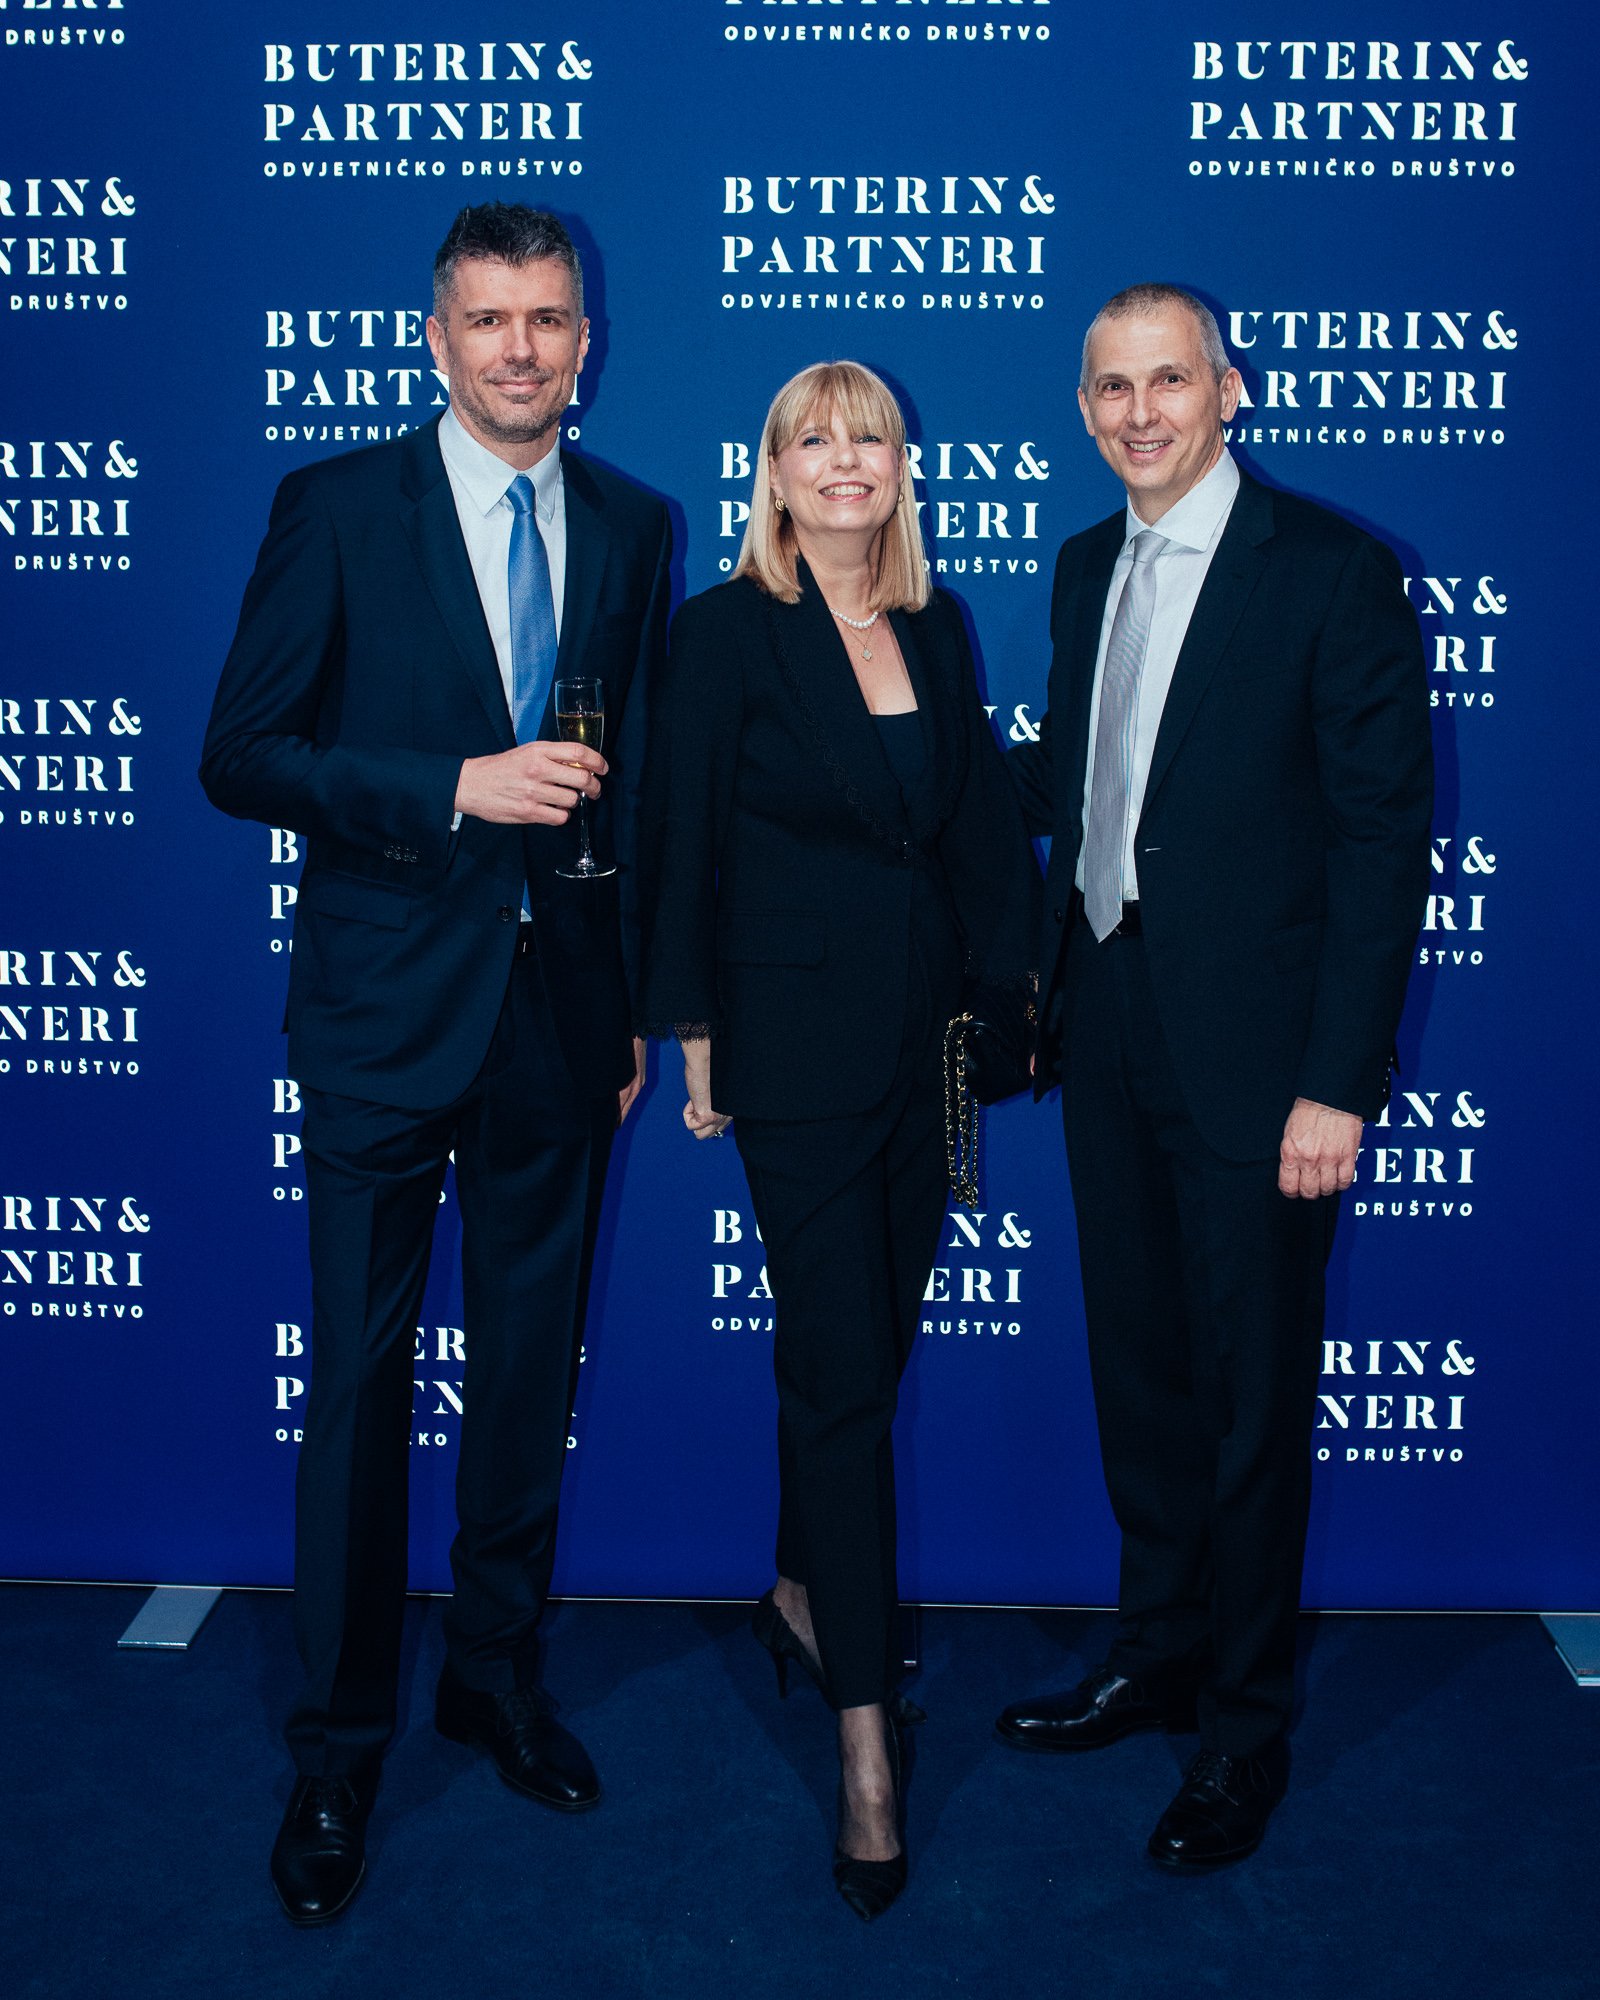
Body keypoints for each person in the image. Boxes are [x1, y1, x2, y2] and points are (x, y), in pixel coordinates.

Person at [200, 204, 671, 1925]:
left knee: (529, 1372)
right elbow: (239, 751)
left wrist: (623, 1003)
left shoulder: (630, 525)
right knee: (359, 1385)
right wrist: (448, 786)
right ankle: (336, 1745)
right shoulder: (334, 508)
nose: (522, 349)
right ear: (437, 337)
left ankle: (494, 1676)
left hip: (559, 1030)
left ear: (585, 341)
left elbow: (637, 795)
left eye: (549, 319)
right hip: (385, 1017)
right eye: (489, 320)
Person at [999, 285, 1432, 1868]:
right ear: (1084, 405)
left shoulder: (1329, 573)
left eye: (1166, 379)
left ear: (1227, 388)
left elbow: (1386, 849)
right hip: (1103, 1025)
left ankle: (1243, 1734)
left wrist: (1340, 1083)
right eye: (1110, 387)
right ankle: (1158, 1644)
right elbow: (1072, 783)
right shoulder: (1081, 565)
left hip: (1266, 1071)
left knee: (1252, 1405)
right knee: (1144, 1375)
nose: (1138, 412)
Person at [639, 361, 1039, 1919]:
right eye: (815, 439)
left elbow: (976, 843)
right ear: (776, 474)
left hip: (926, 1052)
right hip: (794, 1066)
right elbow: (679, 843)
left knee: (862, 1361)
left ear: (900, 467)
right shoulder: (725, 631)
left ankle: (806, 1592)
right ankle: (868, 1748)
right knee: (839, 1375)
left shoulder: (936, 626)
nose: (845, 460)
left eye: (868, 437)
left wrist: (1010, 1014)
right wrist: (690, 1034)